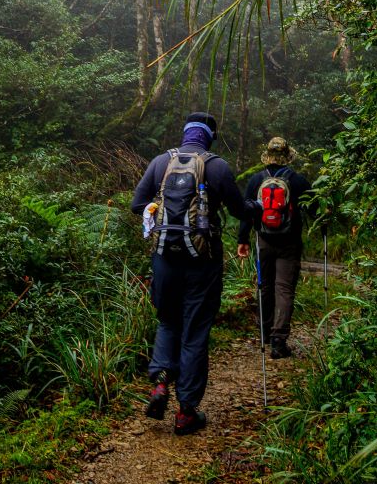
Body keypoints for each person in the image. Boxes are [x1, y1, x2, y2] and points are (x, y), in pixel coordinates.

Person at [131, 112, 260, 436]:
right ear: (209, 137)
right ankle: (186, 411)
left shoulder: (161, 162)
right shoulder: (216, 166)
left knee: (168, 320)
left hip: (164, 260)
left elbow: (137, 204)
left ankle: (160, 382)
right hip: (203, 262)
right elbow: (237, 210)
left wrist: (156, 209)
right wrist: (255, 209)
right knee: (195, 330)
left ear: (185, 134)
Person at [237, 136, 313, 359]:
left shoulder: (255, 180)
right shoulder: (297, 180)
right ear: (287, 156)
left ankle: (264, 332)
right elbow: (314, 206)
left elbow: (246, 212)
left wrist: (243, 240)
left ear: (267, 157)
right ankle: (278, 341)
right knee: (284, 289)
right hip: (289, 243)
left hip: (264, 242)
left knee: (265, 286)